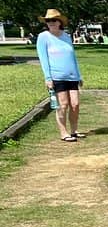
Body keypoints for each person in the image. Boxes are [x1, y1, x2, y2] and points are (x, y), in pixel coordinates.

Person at [36, 8, 83, 142]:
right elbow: (43, 58)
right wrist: (48, 78)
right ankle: (63, 132)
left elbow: (72, 57)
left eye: (53, 20)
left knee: (75, 104)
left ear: (59, 22)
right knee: (63, 104)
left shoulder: (66, 36)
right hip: (57, 76)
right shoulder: (43, 37)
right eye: (48, 21)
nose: (51, 23)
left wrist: (78, 76)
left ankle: (74, 130)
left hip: (72, 75)